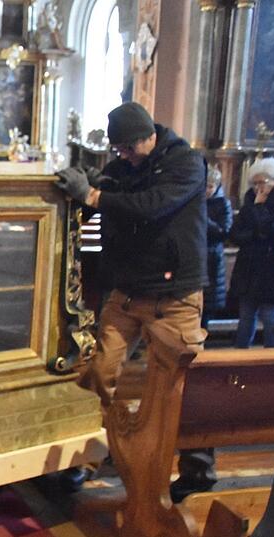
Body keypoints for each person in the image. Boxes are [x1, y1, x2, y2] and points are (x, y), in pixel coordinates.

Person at [55, 101, 213, 502]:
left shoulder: (186, 163)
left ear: (148, 137)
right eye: (117, 150)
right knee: (98, 372)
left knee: (180, 383)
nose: (122, 156)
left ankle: (196, 468)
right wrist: (99, 183)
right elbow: (118, 188)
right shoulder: (127, 165)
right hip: (126, 293)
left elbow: (151, 205)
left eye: (127, 148)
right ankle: (84, 460)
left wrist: (93, 193)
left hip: (173, 296)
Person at [228, 158, 274, 349]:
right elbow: (235, 234)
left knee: (270, 320)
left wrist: (258, 210)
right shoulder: (250, 201)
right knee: (245, 318)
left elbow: (271, 228)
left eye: (262, 182)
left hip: (273, 271)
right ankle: (238, 359)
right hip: (249, 271)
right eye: (255, 183)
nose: (258, 187)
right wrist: (256, 228)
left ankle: (271, 362)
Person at [202, 165, 232, 331]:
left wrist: (204, 219)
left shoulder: (223, 204)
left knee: (206, 305)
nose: (206, 190)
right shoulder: (193, 202)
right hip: (196, 254)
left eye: (210, 187)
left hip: (212, 259)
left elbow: (224, 232)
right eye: (204, 186)